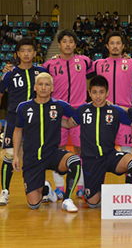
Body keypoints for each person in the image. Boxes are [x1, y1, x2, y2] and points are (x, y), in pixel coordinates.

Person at [63, 76, 132, 208]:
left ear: (107, 93)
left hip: (110, 156)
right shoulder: (83, 110)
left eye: (101, 92)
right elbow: (68, 123)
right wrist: (48, 118)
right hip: (91, 161)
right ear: (89, 93)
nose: (98, 96)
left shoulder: (115, 111)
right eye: (94, 92)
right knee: (93, 203)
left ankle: (128, 197)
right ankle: (91, 193)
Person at [12, 73, 81, 212]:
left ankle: (67, 199)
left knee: (74, 161)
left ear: (52, 88)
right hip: (32, 158)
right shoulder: (23, 107)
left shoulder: (59, 105)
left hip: (52, 154)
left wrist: (69, 123)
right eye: (40, 84)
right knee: (34, 204)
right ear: (35, 87)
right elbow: (18, 130)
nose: (43, 87)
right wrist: (15, 155)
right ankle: (46, 189)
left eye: (47, 84)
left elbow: (78, 114)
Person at [42, 29, 93, 199]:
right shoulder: (50, 64)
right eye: (65, 41)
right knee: (58, 149)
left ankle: (80, 185)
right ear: (59, 45)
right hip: (58, 113)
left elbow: (102, 69)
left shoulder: (84, 61)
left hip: (78, 113)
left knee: (80, 149)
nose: (68, 44)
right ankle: (60, 187)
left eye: (71, 41)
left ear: (75, 44)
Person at [0, 37, 47, 206]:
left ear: (35, 53)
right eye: (23, 51)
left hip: (36, 119)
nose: (26, 54)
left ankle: (41, 187)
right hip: (14, 119)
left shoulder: (41, 72)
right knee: (11, 154)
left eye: (30, 51)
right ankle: (5, 191)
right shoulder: (9, 72)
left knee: (36, 155)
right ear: (17, 54)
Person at [88, 31, 132, 153]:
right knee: (101, 149)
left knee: (127, 150)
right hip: (103, 111)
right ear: (107, 46)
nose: (115, 46)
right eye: (112, 43)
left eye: (118, 43)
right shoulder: (98, 64)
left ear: (123, 46)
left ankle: (129, 172)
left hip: (125, 112)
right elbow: (79, 73)